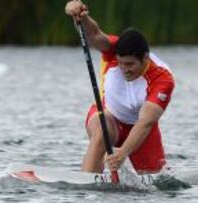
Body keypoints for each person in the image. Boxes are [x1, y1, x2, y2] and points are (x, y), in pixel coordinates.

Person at [65, 0, 175, 174]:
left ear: (145, 58)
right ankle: (86, 184)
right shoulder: (113, 48)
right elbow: (94, 35)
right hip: (108, 115)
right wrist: (82, 17)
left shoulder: (163, 78)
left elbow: (146, 122)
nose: (124, 69)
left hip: (139, 126)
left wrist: (122, 153)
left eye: (130, 64)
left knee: (156, 181)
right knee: (102, 132)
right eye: (121, 63)